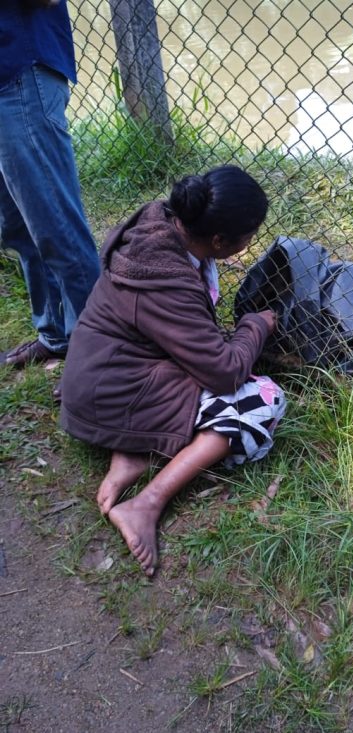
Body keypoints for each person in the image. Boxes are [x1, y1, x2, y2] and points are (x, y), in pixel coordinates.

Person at [60, 165, 286, 576]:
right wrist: (255, 326)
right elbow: (225, 372)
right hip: (112, 395)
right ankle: (146, 503)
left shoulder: (160, 227)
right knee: (264, 399)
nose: (251, 243)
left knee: (208, 372)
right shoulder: (168, 281)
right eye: (248, 236)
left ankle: (133, 452)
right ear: (218, 241)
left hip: (102, 379)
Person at [0, 0, 100, 368]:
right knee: (18, 227)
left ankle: (99, 355)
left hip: (19, 72)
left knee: (56, 226)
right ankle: (56, 335)